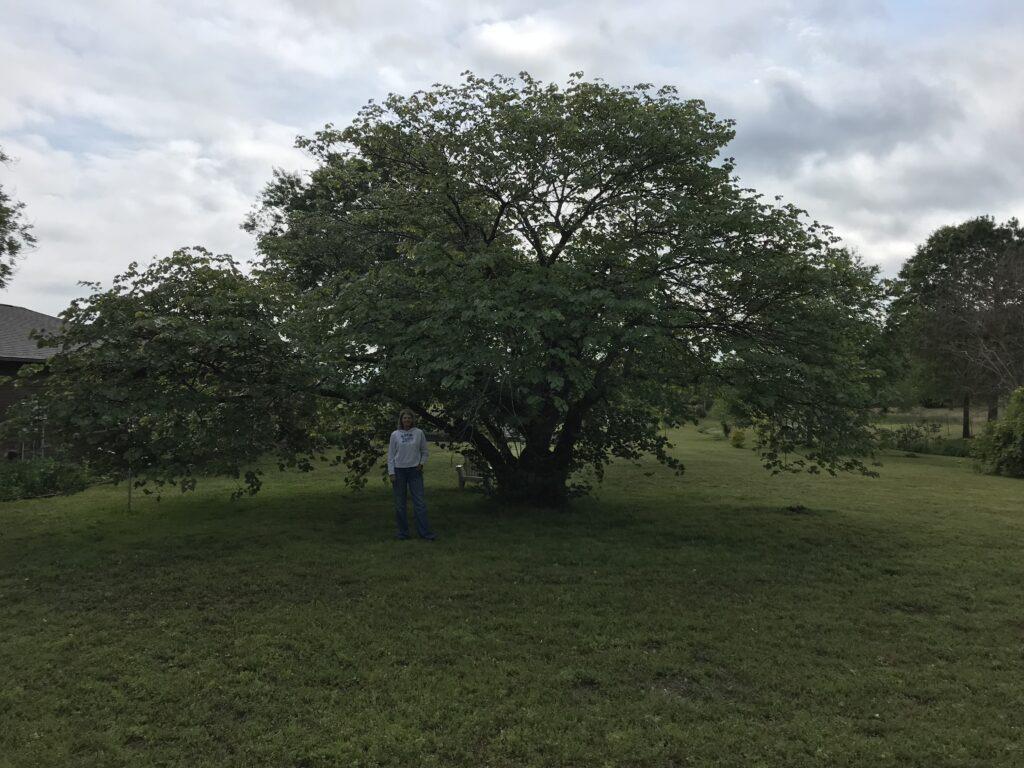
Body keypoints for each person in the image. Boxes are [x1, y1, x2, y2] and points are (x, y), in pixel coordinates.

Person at [387, 409, 436, 541]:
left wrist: (421, 463)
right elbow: (391, 455)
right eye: (405, 418)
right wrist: (391, 472)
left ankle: (425, 533)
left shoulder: (419, 433)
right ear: (401, 420)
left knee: (420, 503)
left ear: (412, 420)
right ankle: (403, 533)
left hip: (415, 471)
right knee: (400, 504)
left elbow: (425, 452)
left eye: (409, 418)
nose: (407, 420)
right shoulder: (395, 434)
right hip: (399, 471)